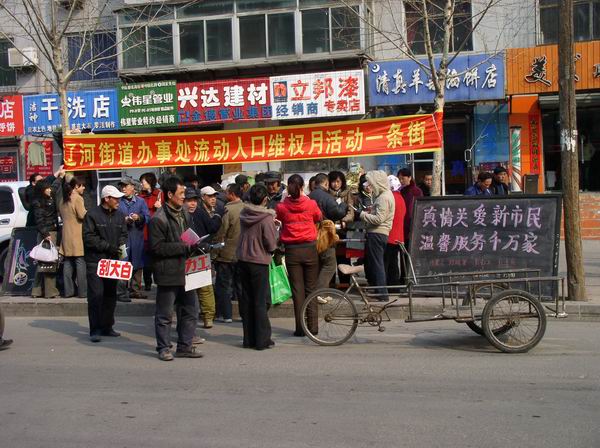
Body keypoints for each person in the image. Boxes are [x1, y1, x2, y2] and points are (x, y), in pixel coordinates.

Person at [150, 177, 204, 361]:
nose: (184, 197)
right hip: (167, 272)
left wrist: (196, 246)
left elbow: (188, 237)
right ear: (170, 194)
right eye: (181, 194)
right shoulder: (158, 219)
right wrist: (183, 247)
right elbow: (157, 248)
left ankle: (185, 346)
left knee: (190, 311)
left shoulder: (185, 214)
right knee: (165, 314)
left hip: (186, 270)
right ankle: (163, 348)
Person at [276, 174, 322, 337]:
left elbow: (279, 218)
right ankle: (313, 327)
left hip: (292, 250)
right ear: (303, 187)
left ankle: (300, 328)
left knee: (297, 290)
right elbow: (318, 217)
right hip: (309, 248)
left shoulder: (282, 206)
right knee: (311, 288)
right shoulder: (311, 204)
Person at [83, 185, 128, 343]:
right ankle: (95, 329)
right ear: (106, 199)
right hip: (96, 261)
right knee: (96, 295)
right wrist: (108, 247)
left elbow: (123, 234)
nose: (118, 201)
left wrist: (121, 249)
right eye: (116, 198)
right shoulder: (92, 215)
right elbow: (89, 238)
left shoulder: (120, 215)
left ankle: (107, 326)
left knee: (110, 295)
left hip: (113, 262)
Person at [237, 183, 278, 350]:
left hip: (242, 259)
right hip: (259, 261)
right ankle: (262, 340)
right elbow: (271, 242)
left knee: (247, 301)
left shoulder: (244, 214)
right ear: (265, 199)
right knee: (261, 301)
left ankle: (249, 339)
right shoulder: (266, 218)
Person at [360, 171, 395, 301]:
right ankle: (379, 292)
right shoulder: (386, 195)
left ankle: (382, 294)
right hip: (380, 233)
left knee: (377, 264)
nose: (371, 186)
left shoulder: (383, 197)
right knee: (377, 263)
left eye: (372, 183)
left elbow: (378, 219)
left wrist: (363, 215)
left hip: (377, 233)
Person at [308, 173, 348, 289]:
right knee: (330, 264)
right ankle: (319, 292)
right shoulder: (327, 197)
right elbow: (337, 213)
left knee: (318, 265)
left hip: (311, 234)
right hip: (325, 235)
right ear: (326, 183)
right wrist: (343, 205)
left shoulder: (309, 196)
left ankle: (315, 292)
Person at [213, 183, 244, 323]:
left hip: (227, 253)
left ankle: (226, 315)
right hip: (243, 252)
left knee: (224, 285)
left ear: (231, 194)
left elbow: (222, 232)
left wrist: (215, 251)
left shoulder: (228, 210)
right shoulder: (246, 208)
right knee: (241, 285)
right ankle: (245, 314)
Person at [117, 177, 150, 301]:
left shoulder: (140, 202)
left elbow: (148, 218)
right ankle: (121, 291)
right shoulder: (118, 201)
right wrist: (123, 220)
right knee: (122, 263)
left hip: (137, 238)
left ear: (133, 187)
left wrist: (139, 217)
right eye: (122, 186)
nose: (123, 188)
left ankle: (135, 290)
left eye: (126, 186)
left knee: (138, 263)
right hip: (122, 239)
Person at [31, 174, 63, 299]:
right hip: (48, 234)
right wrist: (46, 234)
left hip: (49, 232)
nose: (50, 190)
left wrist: (60, 177)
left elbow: (54, 187)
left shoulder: (49, 196)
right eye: (47, 188)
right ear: (41, 190)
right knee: (49, 262)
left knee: (42, 263)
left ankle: (36, 291)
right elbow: (39, 220)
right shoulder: (38, 202)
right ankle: (50, 292)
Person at [59, 176, 87, 298]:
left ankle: (68, 291)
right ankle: (83, 292)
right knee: (80, 261)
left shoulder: (63, 199)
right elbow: (82, 215)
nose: (84, 188)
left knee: (68, 262)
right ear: (76, 186)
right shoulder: (77, 198)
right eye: (82, 185)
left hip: (66, 235)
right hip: (77, 234)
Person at [139, 172, 162, 291]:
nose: (141, 184)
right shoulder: (139, 196)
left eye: (143, 182)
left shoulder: (159, 194)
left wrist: (160, 207)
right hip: (144, 230)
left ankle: (159, 281)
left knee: (157, 258)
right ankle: (147, 282)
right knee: (146, 258)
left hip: (157, 230)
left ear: (150, 182)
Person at [384, 175, 406, 290]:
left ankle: (388, 286)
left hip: (389, 235)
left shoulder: (390, 198)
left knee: (387, 263)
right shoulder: (400, 197)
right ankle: (394, 286)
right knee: (393, 262)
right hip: (398, 235)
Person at [397, 168, 423, 247]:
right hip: (401, 225)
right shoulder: (399, 191)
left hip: (412, 225)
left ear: (409, 178)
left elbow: (419, 208)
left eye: (403, 178)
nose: (401, 181)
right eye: (399, 179)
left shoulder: (416, 191)